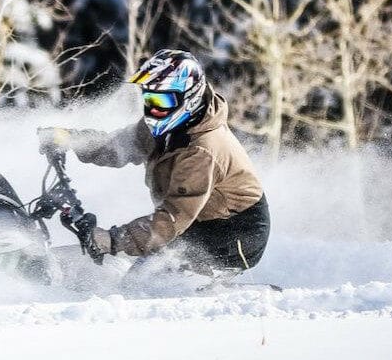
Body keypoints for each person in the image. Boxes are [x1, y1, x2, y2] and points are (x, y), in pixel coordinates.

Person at [37, 49, 270, 276]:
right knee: (133, 260)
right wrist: (71, 139)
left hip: (233, 235)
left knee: (143, 279)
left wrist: (112, 240)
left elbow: (169, 221)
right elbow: (118, 146)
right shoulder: (168, 124)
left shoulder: (202, 150)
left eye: (162, 100)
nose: (154, 109)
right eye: (149, 99)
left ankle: (195, 294)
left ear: (190, 97)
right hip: (195, 221)